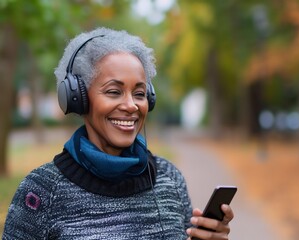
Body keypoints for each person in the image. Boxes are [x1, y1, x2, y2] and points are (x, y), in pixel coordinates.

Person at [3, 27, 234, 240]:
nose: (131, 105)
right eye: (114, 91)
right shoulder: (41, 192)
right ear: (79, 99)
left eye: (139, 93)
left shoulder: (169, 179)